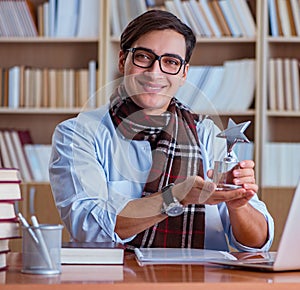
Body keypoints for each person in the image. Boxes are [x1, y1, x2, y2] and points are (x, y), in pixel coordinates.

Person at [49, 9, 274, 251]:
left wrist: (236, 204)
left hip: (202, 282)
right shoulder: (77, 134)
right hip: (118, 281)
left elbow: (258, 243)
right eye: (144, 57)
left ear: (184, 73)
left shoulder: (209, 134)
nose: (155, 73)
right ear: (123, 60)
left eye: (171, 62)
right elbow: (89, 228)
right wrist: (173, 197)